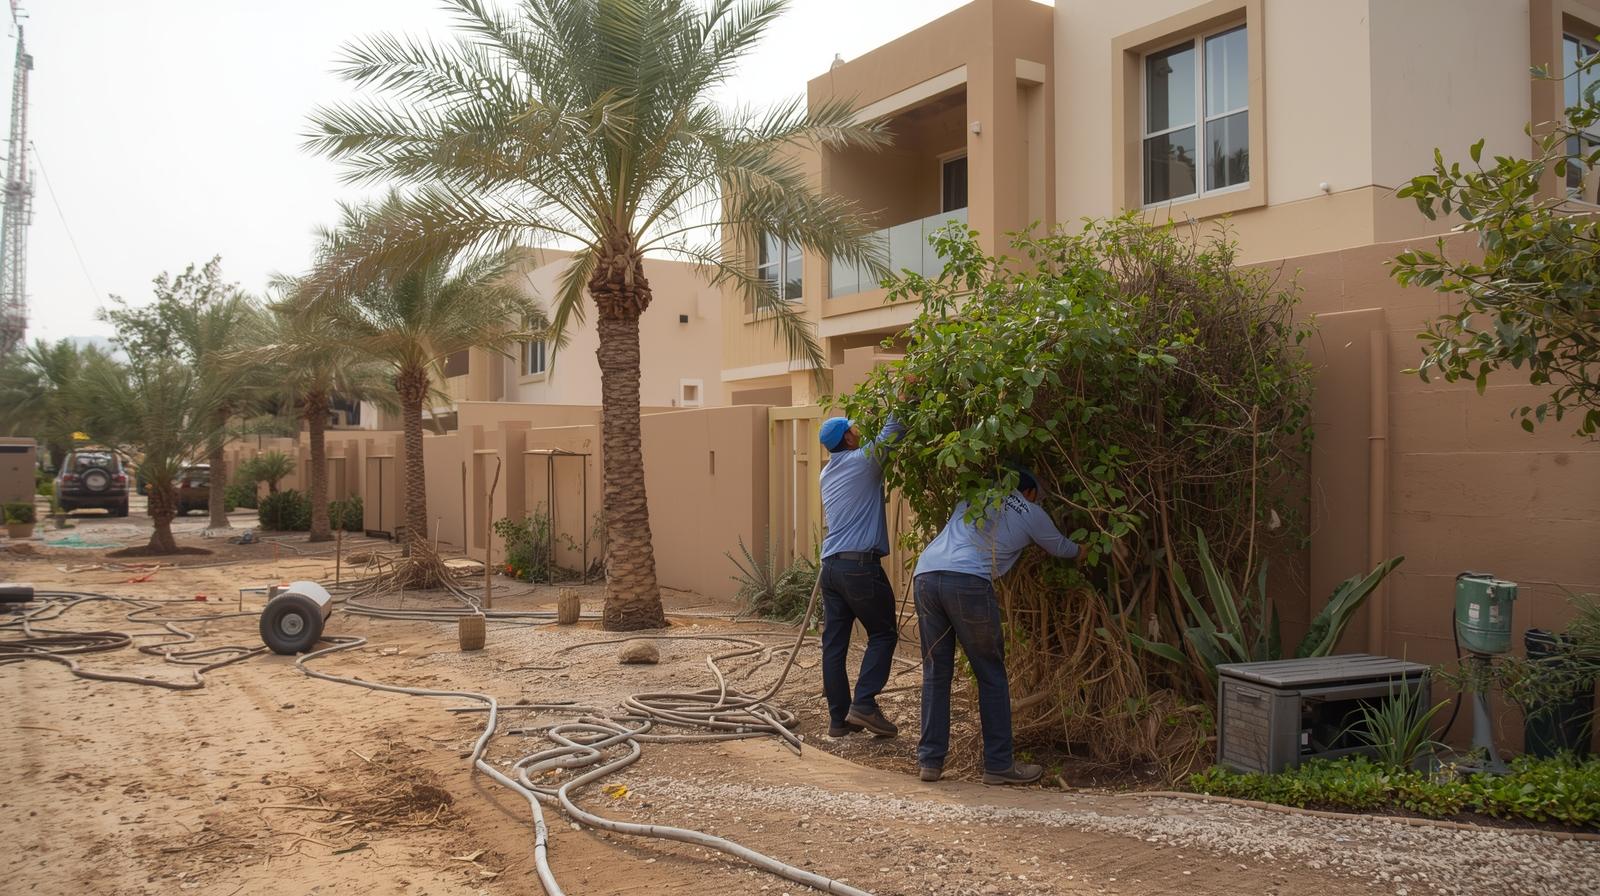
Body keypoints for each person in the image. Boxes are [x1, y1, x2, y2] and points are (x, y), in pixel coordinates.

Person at [912, 468, 1078, 784]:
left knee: (936, 672)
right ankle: (999, 764)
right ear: (1030, 493)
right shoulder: (1032, 512)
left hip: (927, 575)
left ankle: (930, 762)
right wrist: (1085, 550)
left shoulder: (974, 497)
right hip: (967, 583)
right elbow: (1061, 547)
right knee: (990, 673)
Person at [815, 408, 906, 738]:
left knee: (834, 646)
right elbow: (892, 433)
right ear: (848, 438)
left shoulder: (826, 473)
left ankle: (839, 720)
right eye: (855, 429)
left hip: (832, 569)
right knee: (883, 634)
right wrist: (903, 398)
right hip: (859, 569)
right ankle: (864, 704)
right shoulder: (864, 461)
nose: (859, 431)